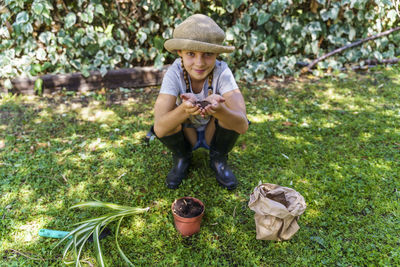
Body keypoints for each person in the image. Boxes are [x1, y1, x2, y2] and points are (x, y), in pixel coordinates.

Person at [152, 14, 248, 190]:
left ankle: (218, 160)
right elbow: (159, 128)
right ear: (179, 52)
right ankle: (182, 158)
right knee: (168, 112)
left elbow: (242, 125)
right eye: (191, 53)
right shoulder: (174, 73)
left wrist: (219, 110)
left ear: (217, 54)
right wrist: (183, 110)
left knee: (228, 107)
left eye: (208, 54)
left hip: (213, 131)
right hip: (188, 132)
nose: (199, 63)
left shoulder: (222, 72)